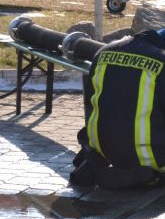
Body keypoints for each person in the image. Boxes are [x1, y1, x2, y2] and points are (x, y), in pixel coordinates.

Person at [70, 28, 165, 189]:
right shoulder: (161, 61)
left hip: (103, 154)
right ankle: (147, 172)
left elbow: (90, 101)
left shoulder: (103, 52)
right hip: (152, 158)